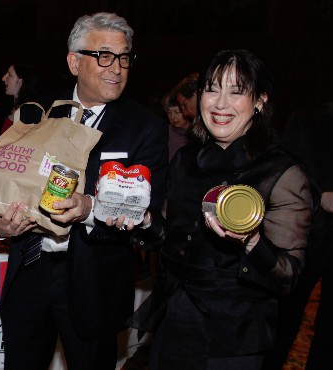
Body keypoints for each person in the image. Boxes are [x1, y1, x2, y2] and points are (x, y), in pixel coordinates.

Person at [0, 12, 169, 369]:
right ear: (74, 61)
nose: (117, 68)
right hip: (29, 272)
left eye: (124, 57)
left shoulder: (144, 128)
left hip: (92, 282)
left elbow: (151, 222)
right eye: (105, 56)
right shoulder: (38, 112)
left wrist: (89, 207)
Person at [131, 50, 314, 370]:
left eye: (236, 91)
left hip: (232, 339)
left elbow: (289, 278)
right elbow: (167, 234)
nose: (220, 102)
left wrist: (251, 241)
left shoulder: (281, 174)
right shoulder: (186, 161)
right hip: (174, 324)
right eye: (212, 88)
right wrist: (138, 218)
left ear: (259, 101)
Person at [264, 102, 332, 370]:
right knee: (282, 323)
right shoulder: (307, 119)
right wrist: (320, 195)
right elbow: (282, 171)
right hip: (304, 237)